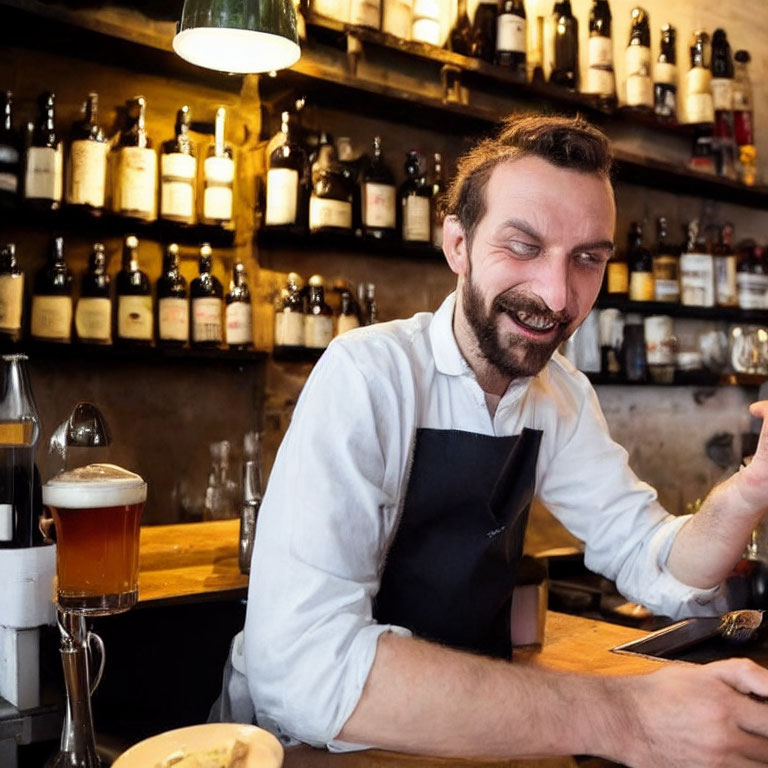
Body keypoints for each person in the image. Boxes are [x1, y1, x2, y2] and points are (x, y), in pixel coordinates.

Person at [216, 114, 768, 767]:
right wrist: (627, 719)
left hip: (470, 738)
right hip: (313, 747)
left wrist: (747, 493)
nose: (557, 295)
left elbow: (655, 565)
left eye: (587, 259)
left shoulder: (559, 395)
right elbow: (308, 673)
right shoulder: (368, 373)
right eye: (524, 246)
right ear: (457, 244)